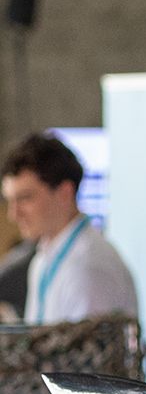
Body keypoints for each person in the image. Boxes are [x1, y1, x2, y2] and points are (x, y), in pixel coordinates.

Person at [1, 132, 137, 325]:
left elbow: (85, 343)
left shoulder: (88, 266)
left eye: (25, 198)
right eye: (10, 201)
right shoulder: (44, 257)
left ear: (64, 193)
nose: (14, 214)